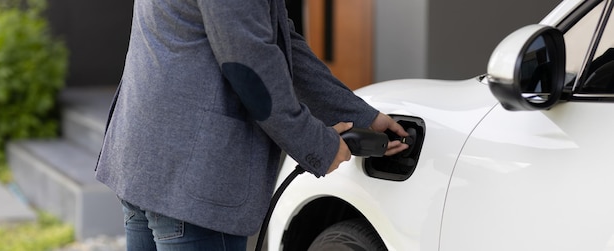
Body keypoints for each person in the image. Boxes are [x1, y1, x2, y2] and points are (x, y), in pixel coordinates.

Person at [95, 0, 409, 250]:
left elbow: (276, 43)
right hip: (192, 183)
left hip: (145, 162)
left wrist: (360, 114)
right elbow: (252, 66)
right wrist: (319, 146)